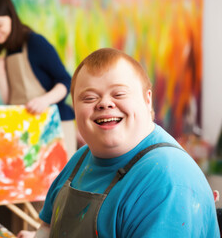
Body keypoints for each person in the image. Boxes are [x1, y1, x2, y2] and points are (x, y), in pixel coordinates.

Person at [19, 48, 220, 237]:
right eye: (89, 98)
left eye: (119, 94)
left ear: (147, 100)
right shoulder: (80, 159)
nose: (105, 103)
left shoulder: (169, 179)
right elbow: (47, 227)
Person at [0, 0, 77, 159]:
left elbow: (66, 81)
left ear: (12, 17)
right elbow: (10, 101)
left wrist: (44, 100)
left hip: (55, 125)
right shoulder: (7, 54)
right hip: (26, 129)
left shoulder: (35, 43)